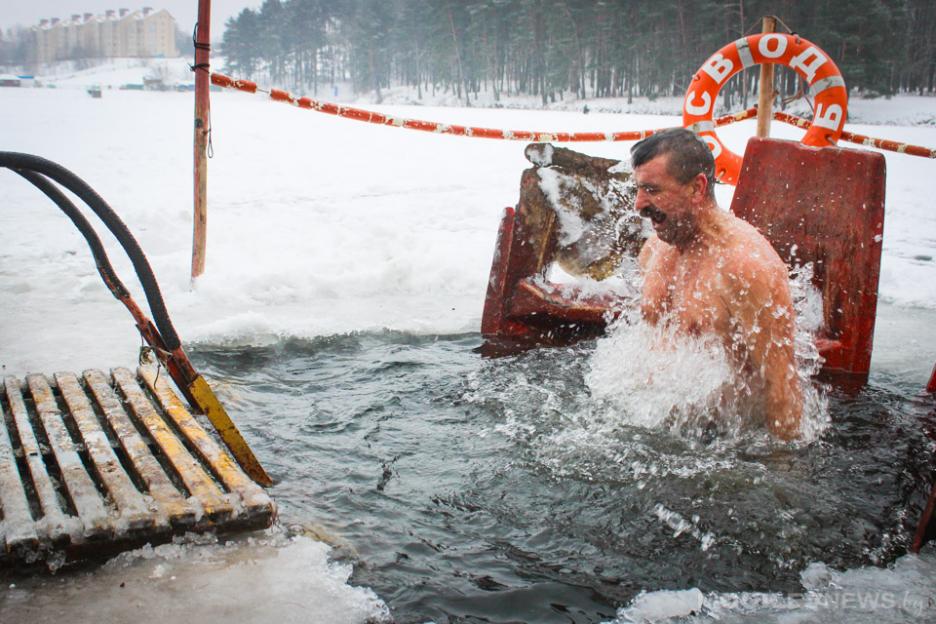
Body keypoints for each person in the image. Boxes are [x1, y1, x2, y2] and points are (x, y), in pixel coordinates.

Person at [631, 128, 802, 440]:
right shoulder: (656, 249)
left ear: (697, 188)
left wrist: (783, 474)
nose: (638, 205)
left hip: (724, 441)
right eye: (639, 190)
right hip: (650, 424)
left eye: (652, 190)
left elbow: (782, 386)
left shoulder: (745, 267)